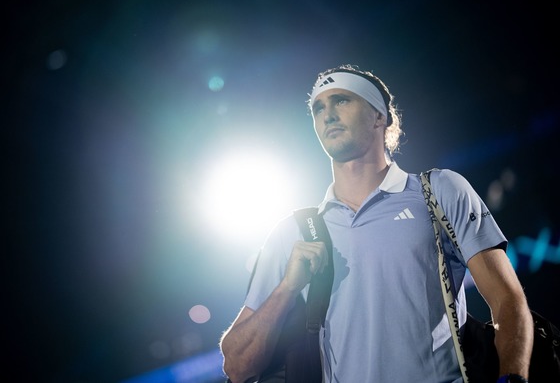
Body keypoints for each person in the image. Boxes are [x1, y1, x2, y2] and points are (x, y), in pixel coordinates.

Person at [219, 64, 534, 383]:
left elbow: (507, 300)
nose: (327, 114)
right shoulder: (294, 231)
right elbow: (237, 367)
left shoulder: (439, 192)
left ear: (379, 116)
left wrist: (513, 379)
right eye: (318, 107)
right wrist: (287, 288)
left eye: (341, 100)